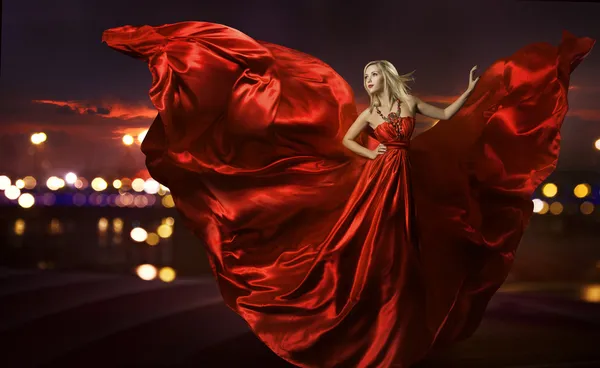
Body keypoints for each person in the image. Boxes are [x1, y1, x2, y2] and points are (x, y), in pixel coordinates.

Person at [102, 21, 595, 368]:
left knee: (414, 247)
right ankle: (366, 327)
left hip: (408, 175)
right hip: (380, 179)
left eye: (372, 76)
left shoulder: (404, 104)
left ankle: (401, 326)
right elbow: (346, 141)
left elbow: (444, 119)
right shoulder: (374, 116)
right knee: (370, 249)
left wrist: (470, 92)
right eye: (366, 78)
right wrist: (370, 157)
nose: (368, 81)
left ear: (387, 77)